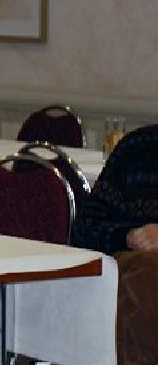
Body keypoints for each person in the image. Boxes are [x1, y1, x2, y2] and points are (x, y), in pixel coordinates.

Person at [72, 124, 158, 363]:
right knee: (145, 272)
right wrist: (130, 237)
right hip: (130, 267)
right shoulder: (137, 147)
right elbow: (84, 230)